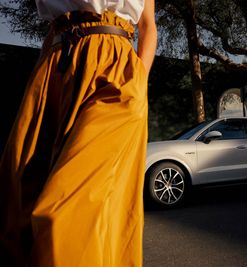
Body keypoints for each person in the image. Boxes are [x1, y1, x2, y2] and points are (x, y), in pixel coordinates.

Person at [0, 0, 157, 266]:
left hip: (114, 70)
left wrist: (138, 79)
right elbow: (54, 27)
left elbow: (148, 26)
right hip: (54, 70)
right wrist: (40, 74)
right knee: (18, 198)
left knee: (66, 209)